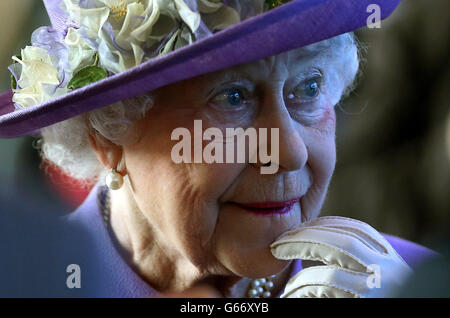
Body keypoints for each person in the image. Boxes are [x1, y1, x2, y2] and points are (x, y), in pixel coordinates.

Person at [0, 0, 437, 297]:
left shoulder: (416, 281)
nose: (289, 153)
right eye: (232, 98)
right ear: (107, 136)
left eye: (308, 87)